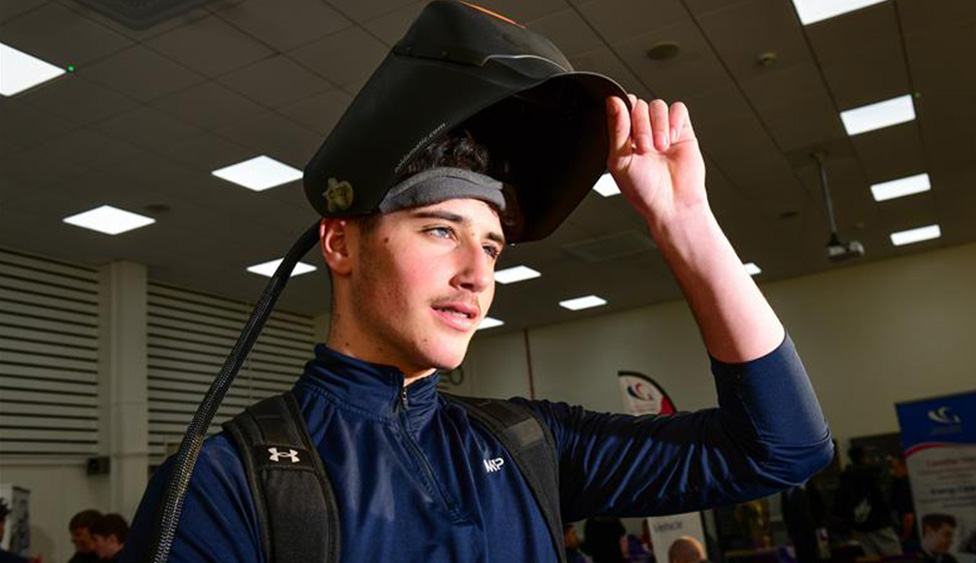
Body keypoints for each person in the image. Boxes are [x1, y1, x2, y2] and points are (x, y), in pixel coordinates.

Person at [120, 2, 832, 561]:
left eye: (491, 245)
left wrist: (686, 224)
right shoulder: (228, 482)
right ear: (340, 242)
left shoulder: (528, 442)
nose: (475, 273)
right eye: (440, 230)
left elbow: (783, 447)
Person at [835, 446, 902, 556]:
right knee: (894, 556)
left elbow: (840, 503)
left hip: (859, 527)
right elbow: (879, 499)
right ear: (863, 458)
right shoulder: (870, 475)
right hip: (879, 523)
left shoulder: (845, 478)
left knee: (871, 556)